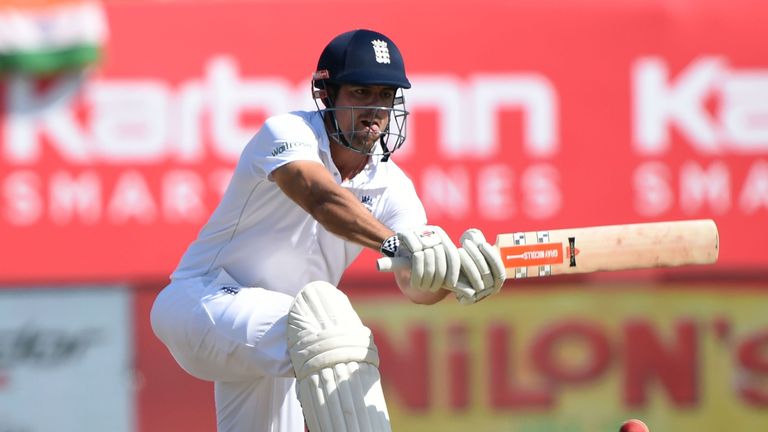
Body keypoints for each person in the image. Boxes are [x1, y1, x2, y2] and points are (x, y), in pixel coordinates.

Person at [150, 29, 506, 432]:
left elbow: (416, 284)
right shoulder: (286, 134)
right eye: (360, 93)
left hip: (281, 331)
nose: (374, 109)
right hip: (203, 300)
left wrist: (456, 277)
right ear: (326, 93)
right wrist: (395, 243)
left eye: (385, 96)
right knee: (329, 327)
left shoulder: (394, 187)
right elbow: (321, 198)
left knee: (317, 328)